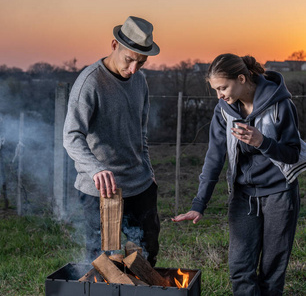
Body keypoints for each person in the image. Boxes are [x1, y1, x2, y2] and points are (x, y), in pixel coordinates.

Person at [172, 53, 304, 295]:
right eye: (215, 90)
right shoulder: (224, 112)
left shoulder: (280, 105)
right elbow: (214, 158)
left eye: (222, 87)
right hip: (243, 196)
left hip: (280, 195)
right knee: (240, 268)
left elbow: (293, 154)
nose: (219, 95)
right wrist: (199, 204)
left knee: (272, 273)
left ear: (241, 78)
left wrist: (262, 141)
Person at [63, 16, 161, 266]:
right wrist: (96, 169)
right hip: (99, 190)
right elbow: (71, 136)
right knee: (100, 261)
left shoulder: (139, 80)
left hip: (140, 185)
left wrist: (148, 171)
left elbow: (140, 131)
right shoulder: (90, 82)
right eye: (130, 59)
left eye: (142, 62)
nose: (134, 69)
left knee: (146, 254)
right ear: (114, 45)